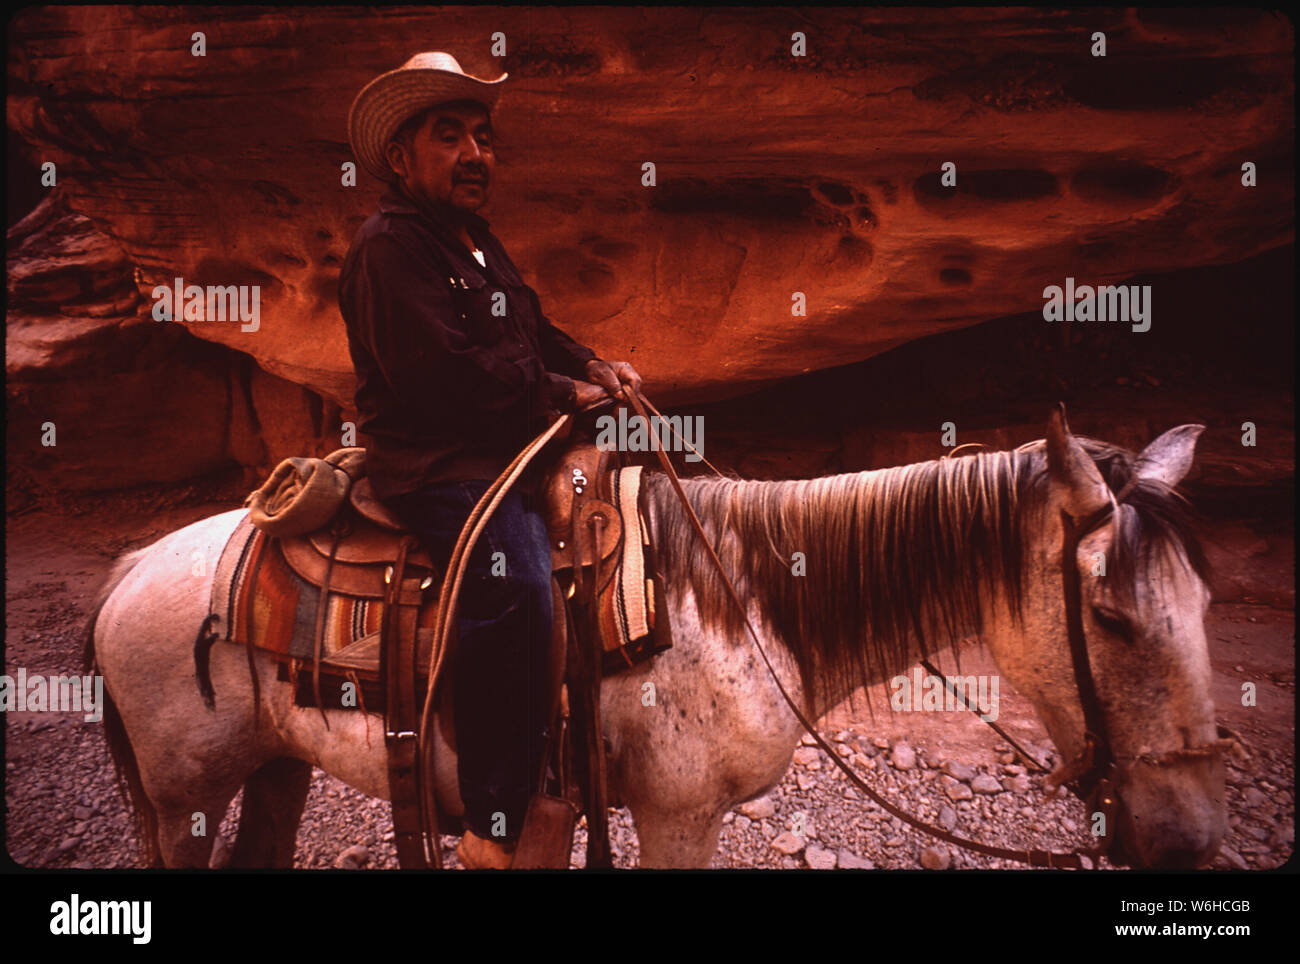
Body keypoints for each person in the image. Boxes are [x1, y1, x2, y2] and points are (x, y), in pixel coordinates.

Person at [340, 52, 642, 868]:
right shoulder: (387, 250)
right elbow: (443, 379)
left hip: (507, 443)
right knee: (517, 586)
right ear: (402, 157)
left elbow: (532, 332)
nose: (477, 154)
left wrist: (591, 364)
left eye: (483, 137)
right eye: (451, 137)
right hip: (437, 461)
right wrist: (559, 393)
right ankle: (492, 825)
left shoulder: (476, 241)